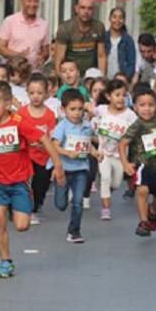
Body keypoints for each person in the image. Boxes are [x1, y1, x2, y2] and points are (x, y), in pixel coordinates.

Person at [0, 80, 65, 279]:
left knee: (22, 226)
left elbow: (44, 139)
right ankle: (5, 261)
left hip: (20, 181)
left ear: (7, 104)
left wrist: (57, 165)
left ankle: (20, 206)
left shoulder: (18, 122)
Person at [120, 85, 156, 237]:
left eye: (151, 105)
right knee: (142, 190)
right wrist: (125, 163)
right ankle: (144, 222)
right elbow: (123, 143)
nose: (147, 109)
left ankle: (152, 212)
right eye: (142, 105)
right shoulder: (137, 125)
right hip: (142, 164)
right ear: (135, 107)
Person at [51, 89, 97, 243]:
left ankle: (74, 231)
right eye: (72, 109)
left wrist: (95, 153)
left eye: (80, 109)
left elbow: (87, 144)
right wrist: (67, 152)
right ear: (63, 110)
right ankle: (61, 194)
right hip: (64, 169)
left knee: (78, 202)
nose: (77, 113)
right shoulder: (62, 126)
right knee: (61, 204)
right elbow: (54, 145)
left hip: (81, 169)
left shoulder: (86, 125)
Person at [93, 79, 136, 220]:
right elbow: (90, 112)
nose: (121, 98)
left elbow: (137, 130)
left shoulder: (130, 114)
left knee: (116, 182)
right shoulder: (102, 110)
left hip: (120, 156)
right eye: (117, 95)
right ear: (108, 96)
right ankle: (106, 209)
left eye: (124, 95)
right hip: (103, 153)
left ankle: (109, 189)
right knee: (105, 178)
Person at [19, 74, 57, 222]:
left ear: (46, 94)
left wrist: (44, 143)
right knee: (26, 183)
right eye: (32, 93)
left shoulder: (49, 115)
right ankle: (28, 210)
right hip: (25, 154)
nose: (35, 96)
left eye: (39, 93)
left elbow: (52, 135)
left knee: (42, 183)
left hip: (43, 156)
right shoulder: (21, 113)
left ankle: (38, 202)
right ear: (27, 93)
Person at [54, 0, 106, 77]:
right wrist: (60, 79)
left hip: (91, 74)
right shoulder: (65, 28)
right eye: (83, 8)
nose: (86, 11)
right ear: (76, 9)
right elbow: (59, 58)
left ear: (94, 10)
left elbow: (101, 56)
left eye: (89, 8)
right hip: (70, 74)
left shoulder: (99, 27)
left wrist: (102, 77)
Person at [0, 0, 50, 70]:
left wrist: (42, 58)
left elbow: (46, 51)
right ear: (22, 2)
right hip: (13, 71)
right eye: (29, 1)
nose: (32, 4)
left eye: (35, 1)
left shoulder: (44, 24)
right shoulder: (10, 21)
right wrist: (17, 55)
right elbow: (0, 48)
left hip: (33, 72)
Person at [103, 7, 137, 80]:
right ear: (109, 19)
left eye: (120, 18)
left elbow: (131, 63)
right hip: (104, 79)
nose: (117, 20)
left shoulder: (128, 40)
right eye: (114, 17)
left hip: (121, 80)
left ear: (124, 20)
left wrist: (125, 78)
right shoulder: (103, 38)